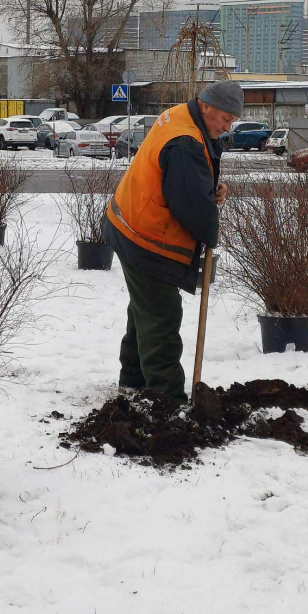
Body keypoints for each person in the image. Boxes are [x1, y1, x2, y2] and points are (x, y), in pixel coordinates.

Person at [103, 81, 244, 403]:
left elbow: (183, 181)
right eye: (224, 118)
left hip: (129, 222)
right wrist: (210, 232)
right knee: (161, 317)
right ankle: (167, 398)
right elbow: (190, 205)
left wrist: (209, 190)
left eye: (232, 121)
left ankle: (133, 381)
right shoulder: (185, 142)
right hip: (146, 236)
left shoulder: (179, 117)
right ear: (205, 105)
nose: (226, 127)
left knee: (146, 311)